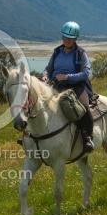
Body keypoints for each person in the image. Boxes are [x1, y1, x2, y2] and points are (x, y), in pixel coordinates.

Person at [41, 21, 95, 152]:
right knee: (35, 103)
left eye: (71, 38)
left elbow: (86, 73)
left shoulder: (80, 53)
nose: (67, 40)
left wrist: (67, 77)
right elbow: (48, 69)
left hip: (76, 86)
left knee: (84, 107)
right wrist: (45, 76)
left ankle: (87, 137)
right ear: (62, 37)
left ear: (76, 38)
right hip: (56, 85)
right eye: (65, 37)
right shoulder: (57, 52)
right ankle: (29, 135)